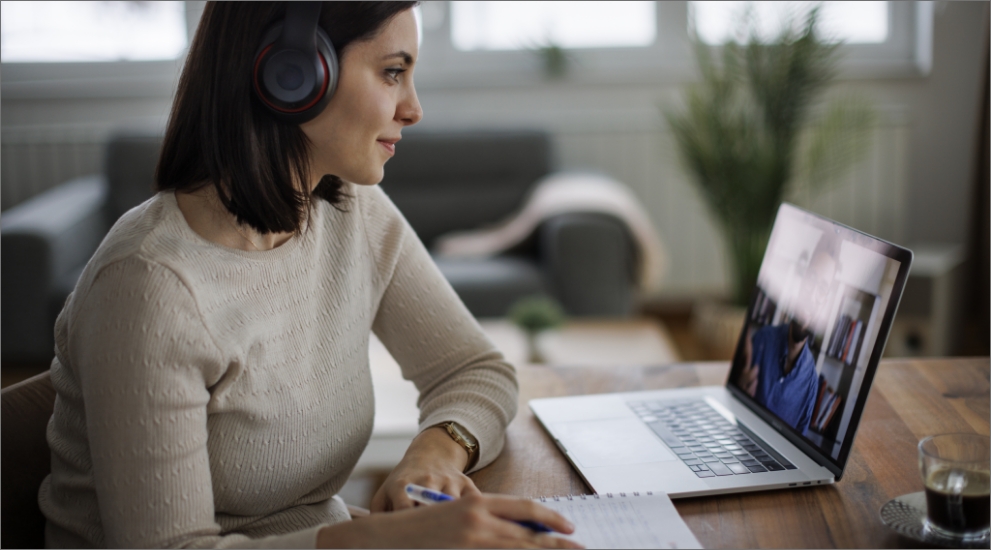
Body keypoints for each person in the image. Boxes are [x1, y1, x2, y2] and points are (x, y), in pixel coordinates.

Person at [37, 3, 580, 548]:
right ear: (293, 74)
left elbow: (474, 370)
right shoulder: (149, 286)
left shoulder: (349, 207)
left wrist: (433, 456)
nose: (413, 109)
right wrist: (384, 541)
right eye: (393, 72)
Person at [737, 244, 837, 434]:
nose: (812, 296)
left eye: (823, 288)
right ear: (801, 282)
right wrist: (739, 392)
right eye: (811, 279)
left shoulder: (811, 383)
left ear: (825, 303)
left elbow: (798, 443)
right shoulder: (762, 339)